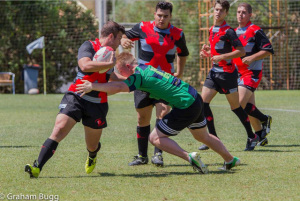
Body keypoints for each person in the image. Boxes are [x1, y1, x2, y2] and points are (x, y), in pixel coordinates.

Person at [76, 52, 241, 173]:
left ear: (127, 67)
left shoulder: (138, 76)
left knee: (154, 138)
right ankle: (230, 159)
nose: (122, 75)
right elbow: (122, 81)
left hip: (185, 105)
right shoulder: (145, 67)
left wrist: (93, 86)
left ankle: (189, 157)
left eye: (121, 71)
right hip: (194, 98)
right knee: (202, 136)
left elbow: (120, 87)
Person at [24, 21, 125, 178]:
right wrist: (108, 63)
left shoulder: (111, 54)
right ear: (111, 36)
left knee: (92, 145)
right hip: (77, 96)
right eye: (119, 38)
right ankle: (37, 167)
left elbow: (110, 76)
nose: (120, 43)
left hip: (98, 103)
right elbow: (84, 66)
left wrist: (129, 79)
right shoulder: (89, 46)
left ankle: (92, 155)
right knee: (59, 129)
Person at [121, 1, 189, 166]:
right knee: (142, 117)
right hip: (143, 80)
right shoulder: (143, 27)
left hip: (165, 83)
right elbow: (124, 36)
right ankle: (141, 156)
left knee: (163, 113)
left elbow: (183, 53)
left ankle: (158, 154)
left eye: (166, 16)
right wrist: (123, 41)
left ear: (170, 16)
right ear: (154, 14)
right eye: (159, 15)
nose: (162, 19)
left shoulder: (177, 33)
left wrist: (179, 72)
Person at [198, 0, 259, 151]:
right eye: (216, 9)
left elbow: (241, 51)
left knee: (236, 107)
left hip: (227, 75)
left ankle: (252, 136)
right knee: (202, 103)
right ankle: (212, 139)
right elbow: (217, 51)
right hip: (214, 73)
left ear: (226, 13)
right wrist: (207, 53)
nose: (217, 12)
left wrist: (223, 57)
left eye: (221, 10)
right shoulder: (212, 29)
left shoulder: (229, 31)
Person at [234, 3, 274, 146]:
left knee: (239, 105)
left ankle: (262, 122)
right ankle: (260, 135)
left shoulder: (255, 30)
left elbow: (268, 50)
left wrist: (252, 58)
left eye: (244, 12)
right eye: (238, 12)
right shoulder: (233, 32)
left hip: (251, 73)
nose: (240, 14)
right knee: (249, 107)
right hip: (237, 74)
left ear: (250, 15)